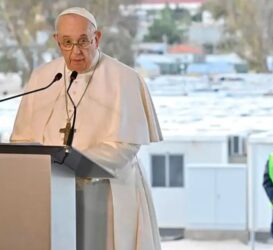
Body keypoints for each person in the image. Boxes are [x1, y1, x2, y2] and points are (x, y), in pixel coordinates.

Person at [10, 7, 163, 250]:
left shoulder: (125, 78)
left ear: (97, 38)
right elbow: (23, 141)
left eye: (83, 41)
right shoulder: (43, 78)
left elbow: (126, 146)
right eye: (67, 43)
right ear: (56, 41)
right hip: (51, 193)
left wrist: (76, 164)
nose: (76, 51)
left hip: (108, 191)